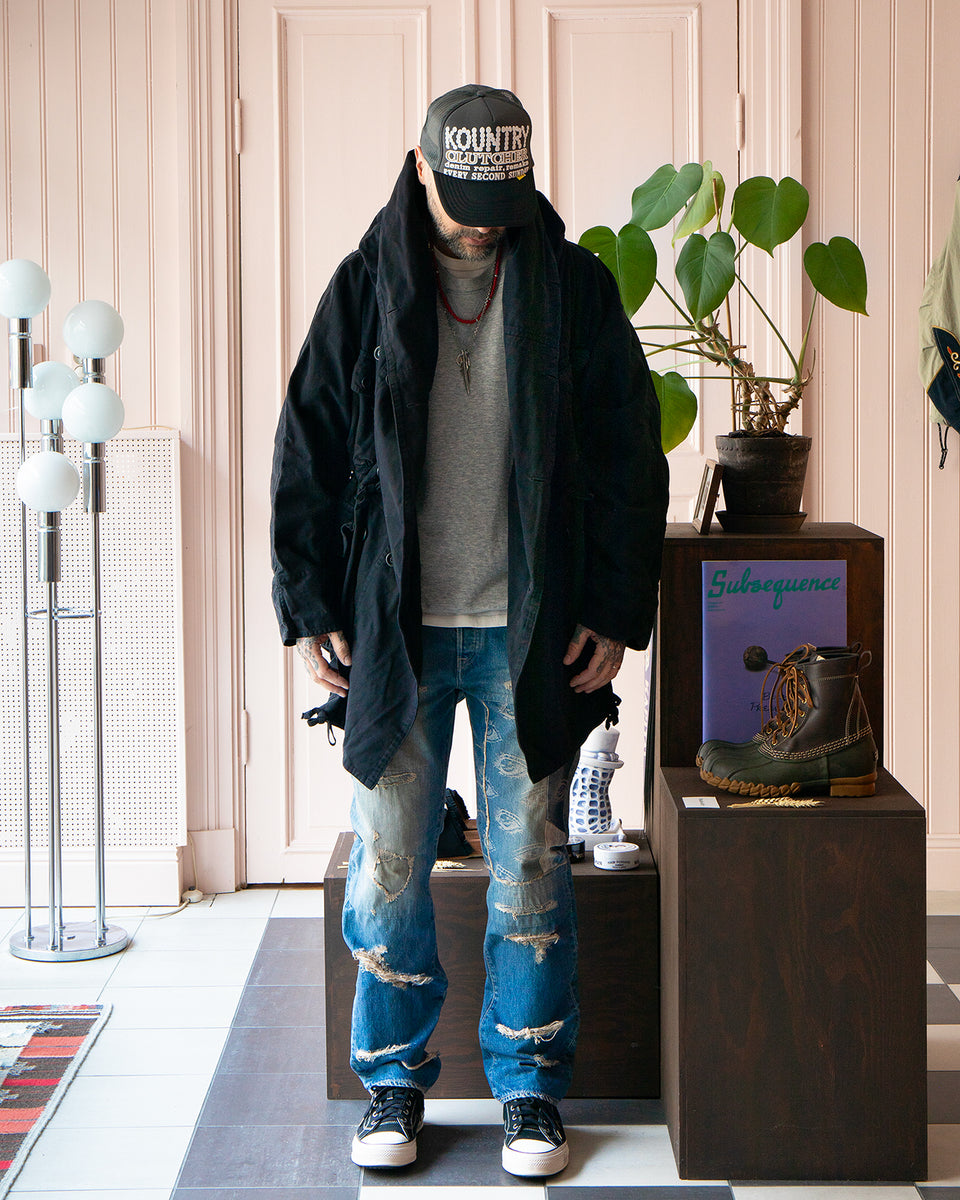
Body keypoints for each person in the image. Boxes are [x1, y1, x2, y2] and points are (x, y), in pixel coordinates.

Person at [270, 84, 668, 1178]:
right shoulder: (366, 285)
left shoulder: (574, 289)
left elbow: (630, 454)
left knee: (530, 865)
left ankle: (529, 1087)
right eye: (465, 203)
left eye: (502, 204)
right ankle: (392, 1083)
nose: (484, 226)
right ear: (420, 169)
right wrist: (309, 605)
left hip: (526, 630)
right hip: (394, 631)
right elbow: (307, 445)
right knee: (390, 867)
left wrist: (614, 610)